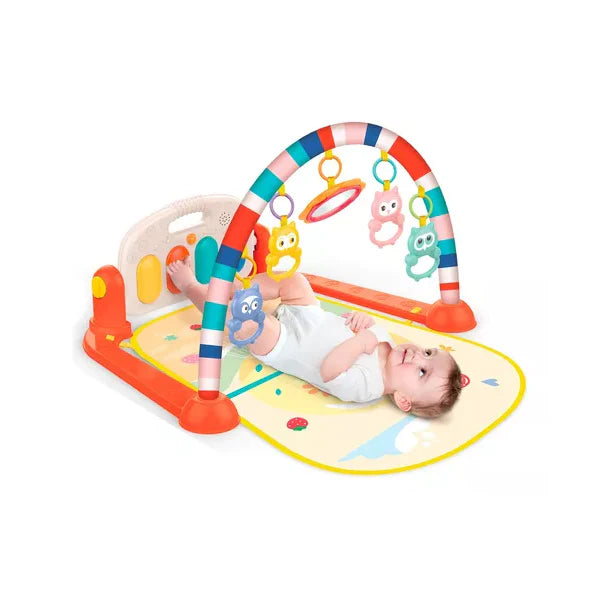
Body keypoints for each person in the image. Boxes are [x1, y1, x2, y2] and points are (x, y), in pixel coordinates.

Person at [167, 260, 462, 417]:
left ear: (402, 399)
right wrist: (360, 319)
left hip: (285, 343)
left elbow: (330, 370)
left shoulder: (368, 387)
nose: (418, 357)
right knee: (295, 281)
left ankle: (192, 287)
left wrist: (361, 342)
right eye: (428, 352)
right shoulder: (388, 342)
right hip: (309, 315)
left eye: (422, 372)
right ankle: (242, 288)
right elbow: (350, 323)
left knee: (243, 321)